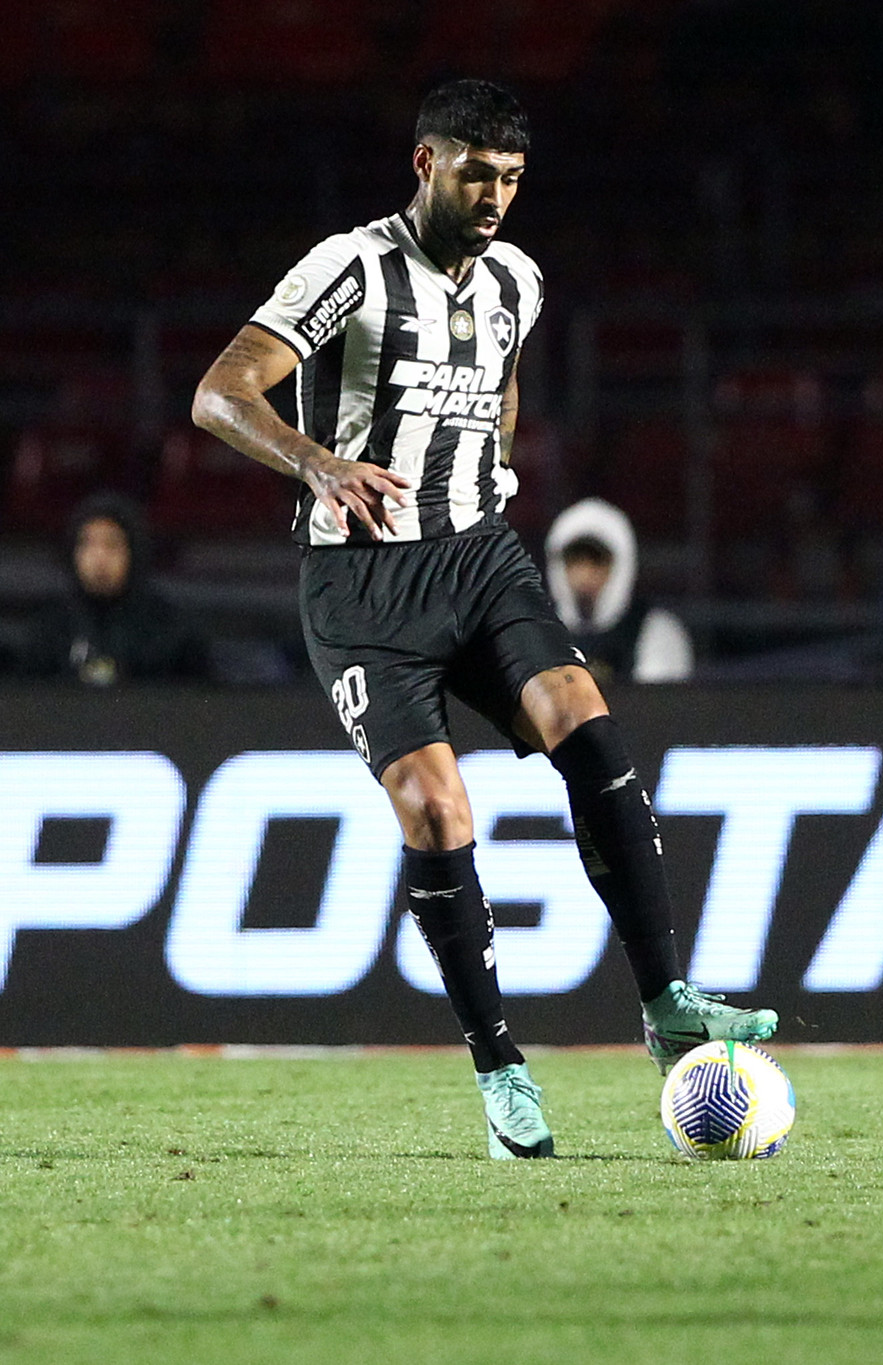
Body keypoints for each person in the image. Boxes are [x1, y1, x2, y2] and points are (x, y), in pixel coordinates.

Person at [189, 79, 775, 1161]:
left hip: (478, 557)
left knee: (585, 722)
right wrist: (317, 463)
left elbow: (499, 387)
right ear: (425, 164)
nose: (495, 195)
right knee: (434, 809)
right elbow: (221, 394)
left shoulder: (517, 280)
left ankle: (666, 1004)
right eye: (476, 173)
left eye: (510, 177)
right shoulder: (350, 268)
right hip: (361, 584)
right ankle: (502, 1071)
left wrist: (486, 469)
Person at [19, 495, 207, 685]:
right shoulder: (50, 626)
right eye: (87, 543)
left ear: (133, 552)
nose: (99, 558)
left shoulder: (171, 628)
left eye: (112, 544)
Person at [544, 497, 693, 684]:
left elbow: (658, 708)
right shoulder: (534, 633)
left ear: (621, 565)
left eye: (597, 562)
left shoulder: (656, 633)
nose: (585, 574)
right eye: (575, 561)